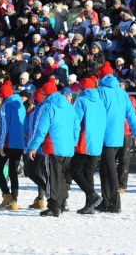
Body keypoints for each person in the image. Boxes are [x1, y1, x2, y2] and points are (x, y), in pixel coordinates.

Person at [96, 74, 136, 213]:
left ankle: (115, 203)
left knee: (108, 170)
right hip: (119, 137)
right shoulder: (122, 93)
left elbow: (97, 113)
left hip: (105, 136)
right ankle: (106, 201)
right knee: (105, 169)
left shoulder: (101, 92)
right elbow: (131, 114)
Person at [27, 88, 78, 217]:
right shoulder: (70, 108)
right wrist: (73, 142)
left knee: (52, 178)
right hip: (67, 148)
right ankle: (61, 203)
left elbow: (41, 130)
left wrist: (33, 147)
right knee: (61, 177)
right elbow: (76, 127)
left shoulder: (49, 107)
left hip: (53, 147)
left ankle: (53, 206)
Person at [70, 81, 107, 214]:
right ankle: (89, 204)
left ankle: (92, 195)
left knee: (74, 170)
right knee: (88, 172)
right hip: (97, 141)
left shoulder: (81, 100)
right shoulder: (100, 101)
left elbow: (75, 120)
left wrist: (72, 138)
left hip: (84, 141)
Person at [0, 80, 26, 211]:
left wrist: (0, 145)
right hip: (19, 143)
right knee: (13, 172)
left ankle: (7, 196)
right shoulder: (21, 105)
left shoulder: (5, 107)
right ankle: (14, 201)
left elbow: (4, 128)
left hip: (8, 143)